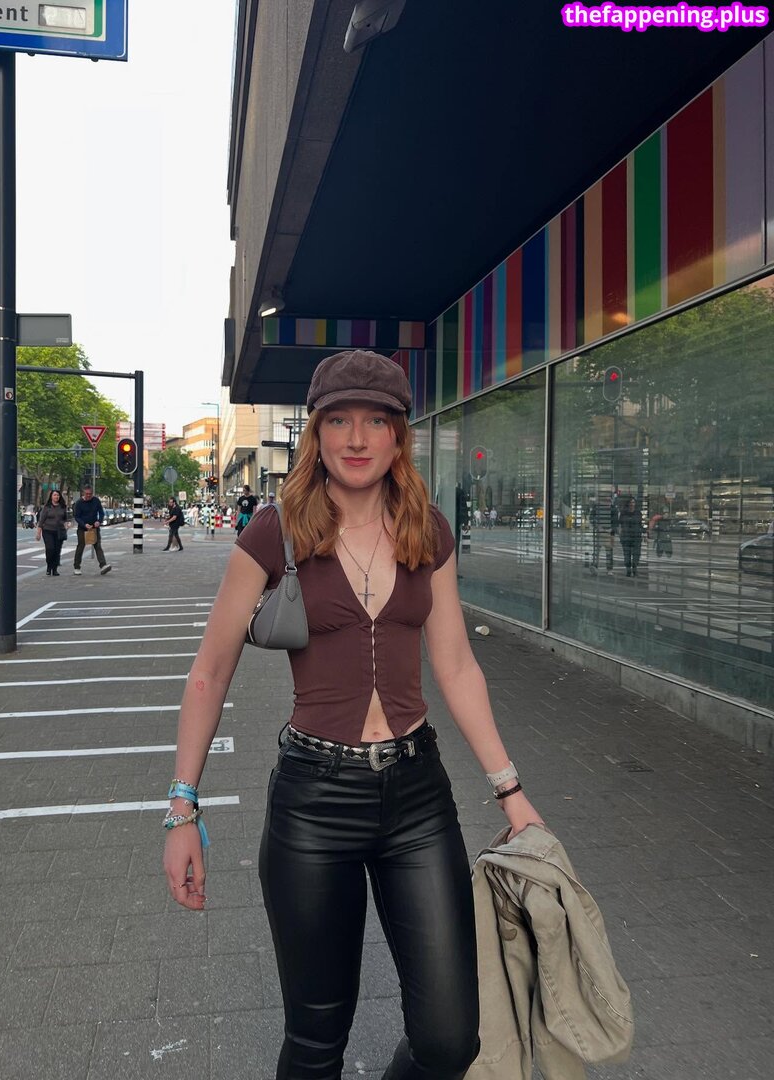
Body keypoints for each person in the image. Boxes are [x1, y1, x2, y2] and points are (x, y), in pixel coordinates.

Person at [163, 349, 544, 1080]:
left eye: (376, 421)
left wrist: (510, 789)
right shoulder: (275, 532)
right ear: (317, 434)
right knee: (316, 1041)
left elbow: (457, 666)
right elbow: (210, 671)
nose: (358, 438)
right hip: (314, 801)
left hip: (418, 798)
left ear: (399, 436)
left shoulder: (427, 532)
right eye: (339, 420)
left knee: (450, 1040)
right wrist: (182, 808)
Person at [72, 485, 112, 576]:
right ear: (83, 493)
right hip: (83, 528)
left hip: (94, 527)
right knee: (81, 546)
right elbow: (77, 517)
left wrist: (99, 521)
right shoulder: (79, 503)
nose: (88, 495)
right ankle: (77, 567)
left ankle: (103, 565)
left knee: (97, 546)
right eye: (87, 494)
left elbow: (101, 512)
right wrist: (84, 524)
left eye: (90, 494)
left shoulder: (96, 501)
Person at [35, 490, 68, 576]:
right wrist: (38, 533)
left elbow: (65, 519)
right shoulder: (47, 507)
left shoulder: (62, 507)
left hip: (59, 531)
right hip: (48, 531)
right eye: (54, 495)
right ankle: (49, 566)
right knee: (50, 549)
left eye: (58, 495)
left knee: (57, 550)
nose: (56, 497)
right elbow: (41, 521)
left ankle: (55, 569)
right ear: (51, 497)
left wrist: (66, 525)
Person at [618, 496, 643, 577]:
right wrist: (620, 534)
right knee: (627, 554)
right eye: (630, 502)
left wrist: (644, 533)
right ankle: (628, 570)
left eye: (633, 502)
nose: (632, 504)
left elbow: (640, 524)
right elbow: (620, 525)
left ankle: (635, 569)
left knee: (636, 554)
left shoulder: (638, 513)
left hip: (636, 536)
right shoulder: (623, 513)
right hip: (626, 536)